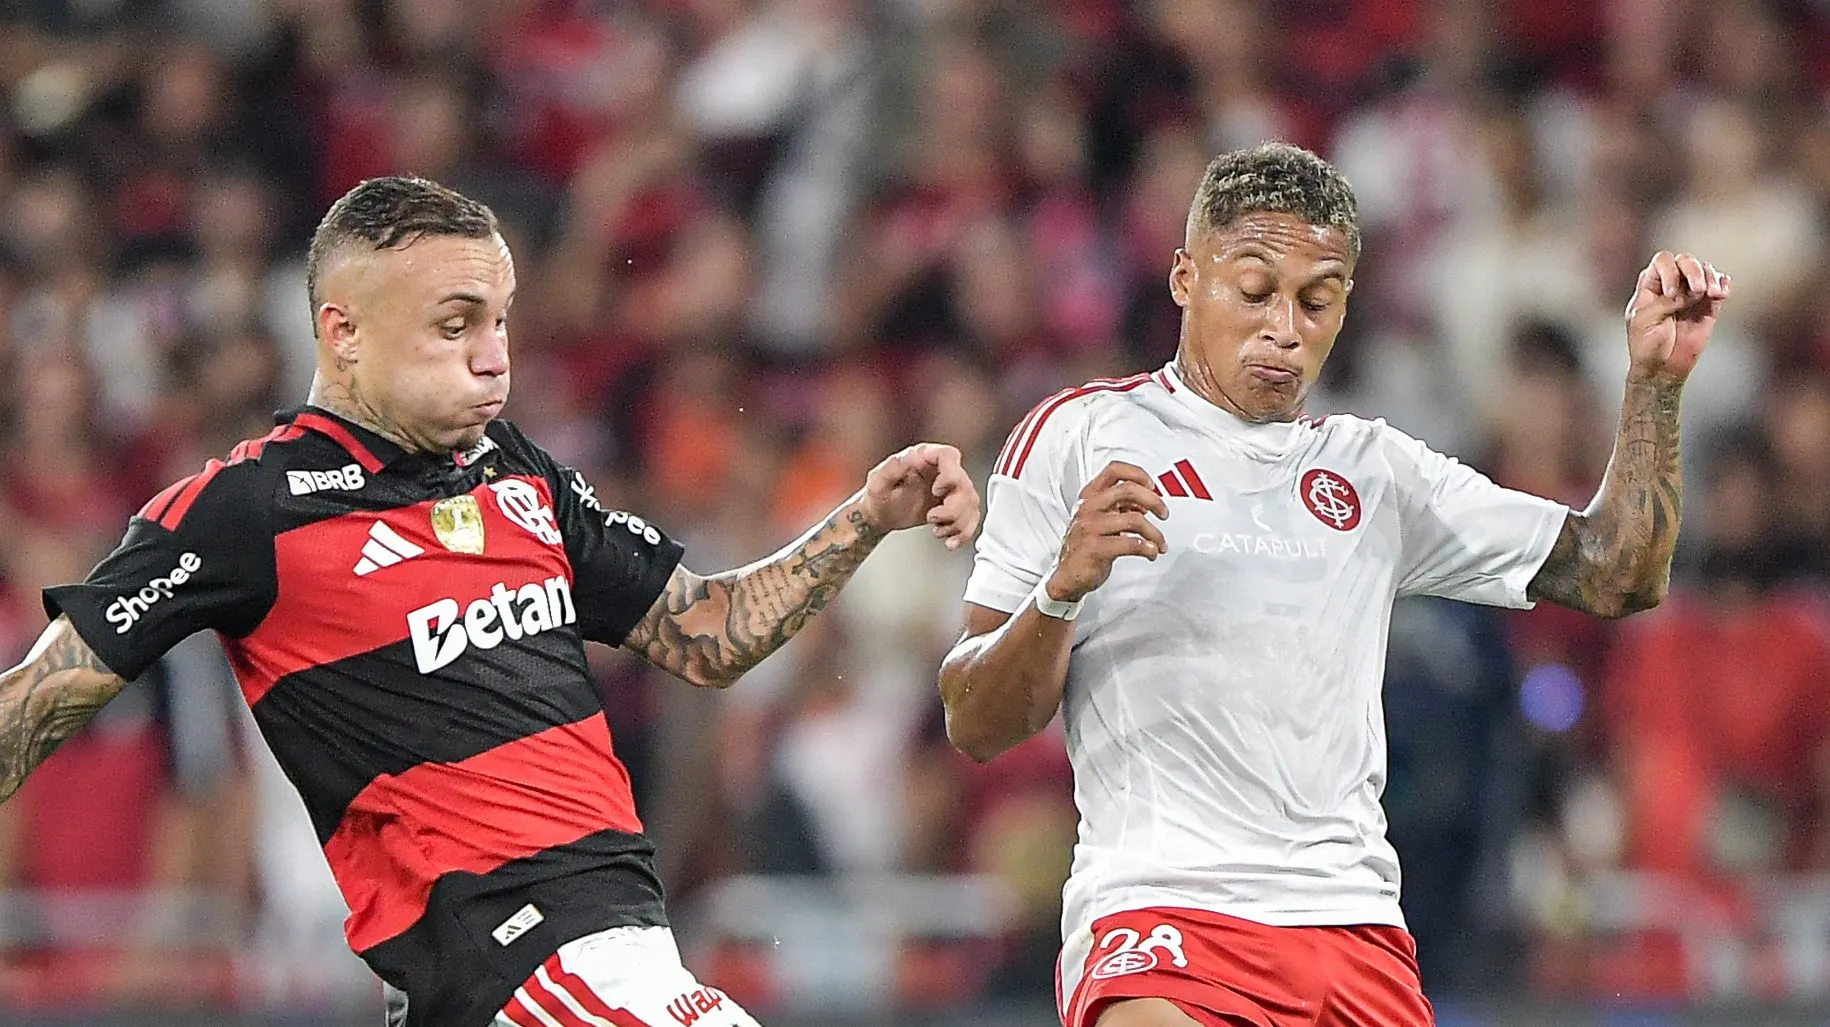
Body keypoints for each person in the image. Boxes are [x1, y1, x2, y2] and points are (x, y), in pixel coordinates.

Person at [0, 175, 981, 1027]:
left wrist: (864, 518)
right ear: (344, 332)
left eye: (501, 320)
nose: (494, 356)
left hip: (602, 960)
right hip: (527, 962)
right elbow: (37, 700)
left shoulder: (516, 471)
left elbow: (708, 634)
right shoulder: (246, 510)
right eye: (455, 324)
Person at [939, 141, 1729, 1027]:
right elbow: (975, 719)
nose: (1285, 327)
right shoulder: (1077, 437)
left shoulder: (1372, 470)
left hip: (1354, 931)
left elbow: (1617, 571)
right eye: (1254, 291)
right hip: (1164, 916)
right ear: (1185, 278)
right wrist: (1060, 590)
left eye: (1316, 301)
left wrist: (1655, 385)